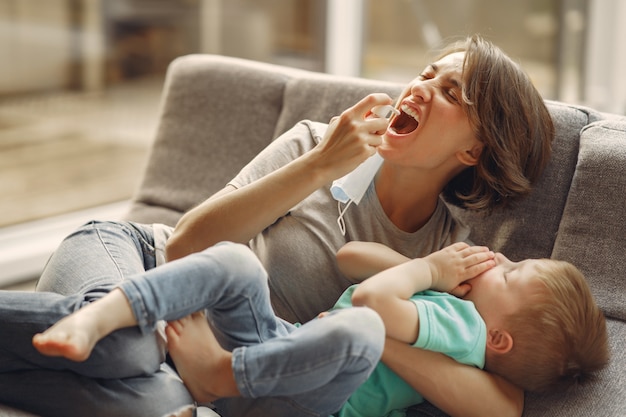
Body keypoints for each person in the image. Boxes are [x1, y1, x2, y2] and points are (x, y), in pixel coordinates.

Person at [1, 34, 554, 417]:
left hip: (199, 369)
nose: (421, 88)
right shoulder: (317, 144)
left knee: (158, 405)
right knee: (127, 352)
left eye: (451, 93)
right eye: (426, 74)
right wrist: (318, 166)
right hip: (139, 262)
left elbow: (504, 402)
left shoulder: (448, 255)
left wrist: (382, 339)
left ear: (475, 149)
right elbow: (187, 246)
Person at [26, 240, 609, 417]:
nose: (499, 263)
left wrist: (430, 270)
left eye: (511, 275)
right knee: (236, 262)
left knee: (357, 327)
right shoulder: (452, 306)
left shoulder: (459, 327)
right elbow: (354, 259)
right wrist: (435, 269)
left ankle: (215, 375)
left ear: (500, 337)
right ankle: (107, 314)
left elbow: (376, 304)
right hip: (284, 348)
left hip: (309, 396)